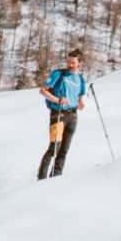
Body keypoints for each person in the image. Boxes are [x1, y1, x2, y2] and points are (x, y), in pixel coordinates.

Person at [37, 48, 87, 180]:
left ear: (80, 63)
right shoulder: (58, 74)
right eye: (68, 61)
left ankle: (55, 179)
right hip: (58, 114)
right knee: (54, 148)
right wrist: (57, 100)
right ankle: (41, 179)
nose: (70, 64)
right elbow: (42, 91)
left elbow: (80, 95)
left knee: (64, 150)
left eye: (73, 62)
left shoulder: (81, 79)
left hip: (73, 116)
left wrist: (81, 103)